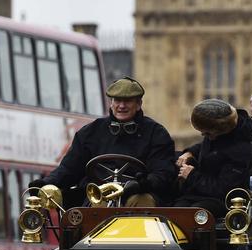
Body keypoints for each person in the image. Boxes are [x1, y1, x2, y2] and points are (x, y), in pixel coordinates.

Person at [29, 77, 176, 207]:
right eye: (117, 100)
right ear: (111, 103)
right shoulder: (90, 132)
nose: (121, 106)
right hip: (98, 195)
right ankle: (92, 238)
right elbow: (69, 169)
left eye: (127, 101)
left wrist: (143, 184)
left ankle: (140, 238)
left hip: (138, 194)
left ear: (138, 104)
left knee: (142, 200)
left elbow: (163, 172)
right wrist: (46, 183)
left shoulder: (156, 133)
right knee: (96, 204)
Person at [174, 99, 252, 217]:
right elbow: (208, 148)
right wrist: (190, 152)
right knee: (173, 212)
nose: (204, 135)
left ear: (221, 130)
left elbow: (223, 189)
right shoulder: (218, 135)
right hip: (200, 193)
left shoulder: (240, 151)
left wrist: (192, 175)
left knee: (190, 215)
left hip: (223, 200)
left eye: (207, 133)